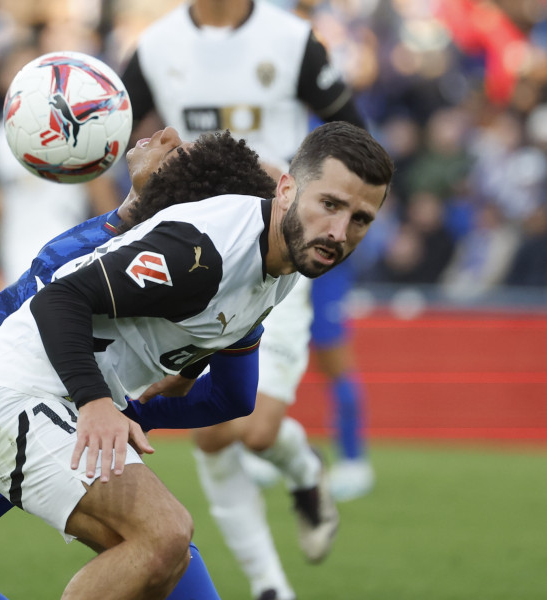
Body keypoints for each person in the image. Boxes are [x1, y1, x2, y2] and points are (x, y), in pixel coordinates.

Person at [0, 126, 289, 600]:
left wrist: (112, 406)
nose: (167, 133)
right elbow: (235, 394)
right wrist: (136, 411)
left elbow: (36, 311)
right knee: (154, 547)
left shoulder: (125, 251)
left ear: (183, 190)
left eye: (179, 150)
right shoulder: (232, 280)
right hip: (58, 408)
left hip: (7, 402)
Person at [0, 121, 391, 599]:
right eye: (329, 205)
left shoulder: (287, 257)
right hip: (16, 394)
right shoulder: (205, 251)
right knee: (163, 535)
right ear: (286, 190)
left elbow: (233, 395)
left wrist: (181, 374)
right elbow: (60, 299)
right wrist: (96, 403)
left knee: (169, 556)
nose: (339, 231)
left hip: (58, 397)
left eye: (360, 219)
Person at [121, 1, 376, 596]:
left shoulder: (291, 40)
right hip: (197, 259)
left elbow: (352, 134)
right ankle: (270, 588)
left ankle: (304, 466)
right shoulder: (156, 47)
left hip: (278, 254)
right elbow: (113, 129)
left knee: (256, 431)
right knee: (213, 432)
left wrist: (307, 196)